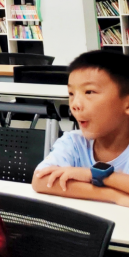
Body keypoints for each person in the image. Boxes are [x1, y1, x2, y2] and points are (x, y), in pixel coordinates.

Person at [33, 50, 129, 205]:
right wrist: (114, 196)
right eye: (71, 93)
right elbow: (40, 180)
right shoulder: (74, 142)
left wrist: (93, 175)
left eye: (89, 92)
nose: (75, 105)